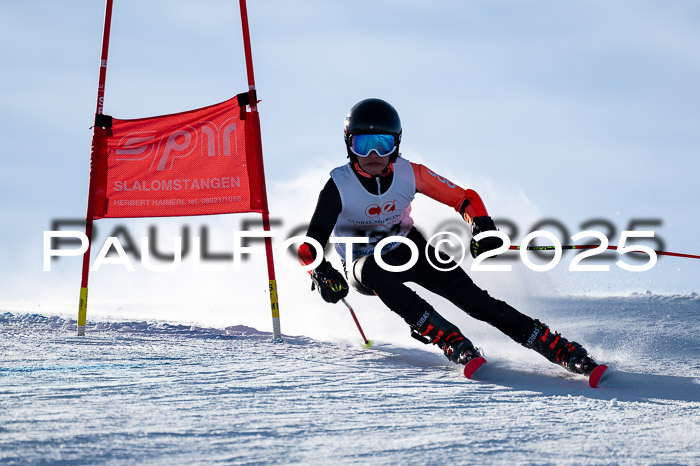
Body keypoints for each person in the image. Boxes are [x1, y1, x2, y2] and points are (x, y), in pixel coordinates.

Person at [297, 98, 601, 377]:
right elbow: (310, 246)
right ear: (349, 145)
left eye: (383, 142)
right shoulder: (339, 185)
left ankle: (556, 346)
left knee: (476, 302)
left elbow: (464, 198)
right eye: (364, 144)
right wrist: (322, 272)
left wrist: (482, 226)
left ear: (396, 144)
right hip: (363, 263)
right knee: (374, 270)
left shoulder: (410, 173)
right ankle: (446, 336)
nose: (374, 154)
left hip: (407, 246)